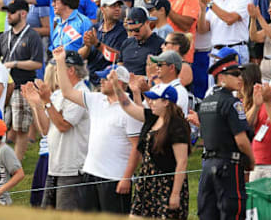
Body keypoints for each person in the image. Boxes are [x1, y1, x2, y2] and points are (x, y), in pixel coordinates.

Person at [53, 47, 143, 214]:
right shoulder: (96, 99)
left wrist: (126, 178)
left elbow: (136, 147)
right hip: (91, 173)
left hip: (114, 178)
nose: (101, 81)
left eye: (106, 79)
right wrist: (59, 61)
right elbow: (67, 92)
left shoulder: (130, 109)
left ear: (120, 83)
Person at [112, 76, 191, 220]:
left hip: (167, 184)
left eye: (155, 99)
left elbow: (182, 162)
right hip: (146, 182)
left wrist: (175, 194)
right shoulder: (152, 117)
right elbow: (127, 106)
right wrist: (116, 86)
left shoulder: (177, 125)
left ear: (166, 102)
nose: (150, 103)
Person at [21, 51, 90, 211]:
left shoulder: (82, 93)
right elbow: (45, 129)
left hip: (72, 170)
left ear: (71, 70)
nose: (55, 72)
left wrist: (46, 101)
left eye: (57, 67)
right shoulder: (58, 94)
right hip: (55, 166)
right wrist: (37, 104)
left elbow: (63, 125)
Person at [197, 54, 255, 220]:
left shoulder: (206, 102)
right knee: (232, 211)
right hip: (228, 166)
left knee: (208, 212)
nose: (240, 78)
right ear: (221, 77)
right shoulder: (232, 103)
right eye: (235, 74)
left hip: (208, 166)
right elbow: (241, 140)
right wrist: (251, 160)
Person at [0, 0, 44, 159]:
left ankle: (17, 161)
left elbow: (37, 63)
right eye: (7, 12)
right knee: (3, 123)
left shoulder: (32, 36)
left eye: (12, 12)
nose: (8, 15)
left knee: (21, 127)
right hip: (4, 85)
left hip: (23, 84)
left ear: (23, 14)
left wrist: (14, 64)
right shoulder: (5, 35)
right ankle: (1, 158)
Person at [198, 0, 251, 64]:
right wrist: (202, 10)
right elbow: (202, 30)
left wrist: (209, 3)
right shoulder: (217, 0)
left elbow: (230, 19)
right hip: (215, 51)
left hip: (235, 49)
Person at [80, 0, 128, 86]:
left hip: (110, 82)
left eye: (118, 6)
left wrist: (97, 44)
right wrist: (87, 46)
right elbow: (81, 56)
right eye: (113, 6)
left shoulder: (123, 30)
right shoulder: (94, 28)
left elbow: (117, 57)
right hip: (92, 80)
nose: (117, 9)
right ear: (102, 9)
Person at [119, 7, 164, 76]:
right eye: (131, 30)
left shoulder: (160, 45)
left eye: (137, 30)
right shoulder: (126, 43)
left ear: (147, 22)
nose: (134, 33)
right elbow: (120, 67)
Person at [147, 50, 190, 116]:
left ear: (172, 68)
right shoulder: (156, 88)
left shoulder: (179, 91)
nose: (156, 67)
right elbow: (143, 112)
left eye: (160, 64)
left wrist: (144, 91)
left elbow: (167, 117)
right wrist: (136, 93)